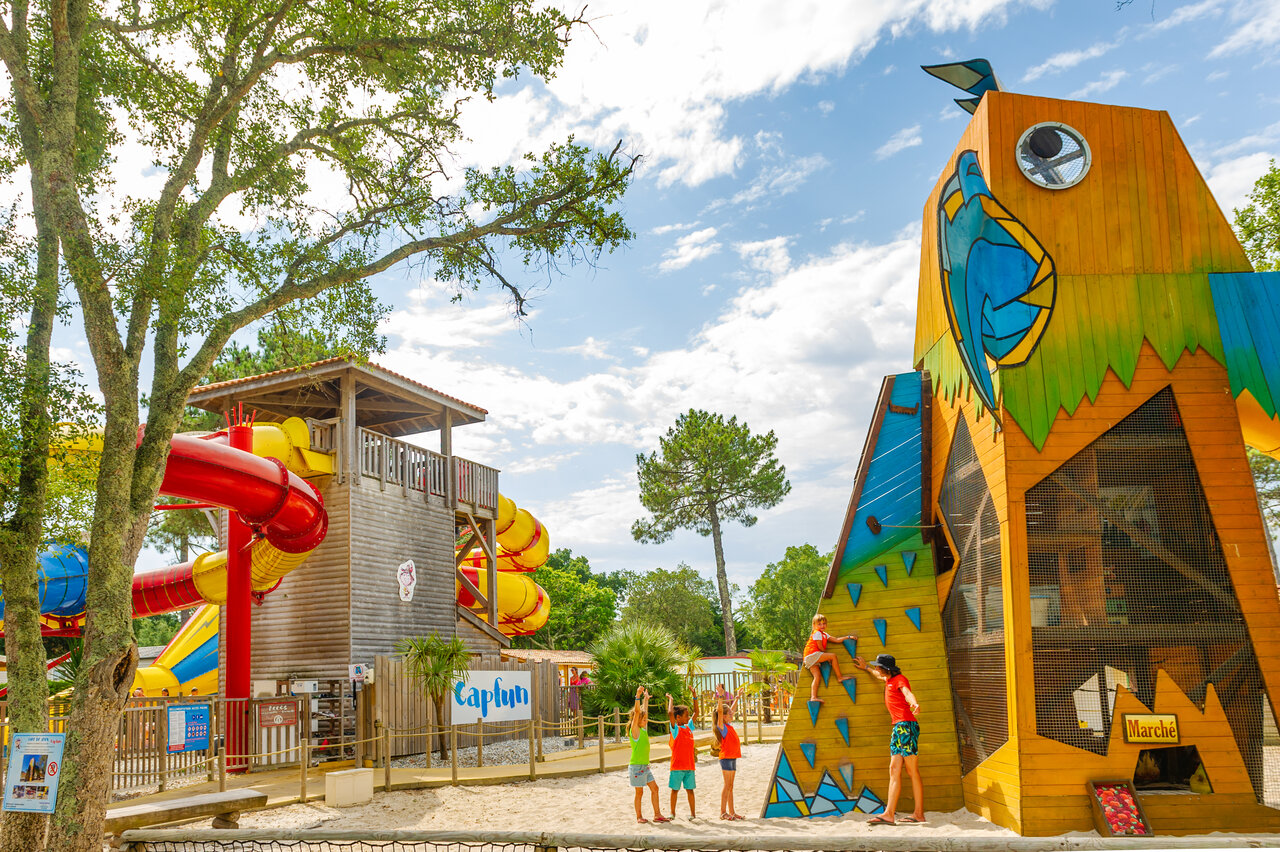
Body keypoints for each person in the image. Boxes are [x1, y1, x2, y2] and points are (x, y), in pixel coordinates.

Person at [853, 653, 925, 826]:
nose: (876, 668)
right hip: (900, 727)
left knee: (910, 770)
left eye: (878, 666)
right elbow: (878, 676)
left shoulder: (900, 679)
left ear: (886, 668)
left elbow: (907, 692)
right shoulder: (888, 680)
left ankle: (911, 813)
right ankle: (895, 813)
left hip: (905, 726)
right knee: (896, 769)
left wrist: (914, 703)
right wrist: (866, 668)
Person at [627, 686, 670, 824]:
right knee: (639, 792)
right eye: (644, 719)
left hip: (645, 767)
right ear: (637, 720)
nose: (646, 720)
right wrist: (637, 696)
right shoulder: (635, 731)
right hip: (636, 767)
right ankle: (639, 816)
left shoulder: (643, 730)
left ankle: (657, 815)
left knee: (655, 788)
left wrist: (646, 699)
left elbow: (643, 712)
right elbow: (638, 711)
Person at [802, 614, 856, 702]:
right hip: (811, 655)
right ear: (814, 625)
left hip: (809, 658)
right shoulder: (817, 633)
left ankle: (813, 697)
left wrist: (848, 637)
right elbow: (820, 647)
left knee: (817, 676)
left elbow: (837, 640)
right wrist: (827, 657)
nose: (822, 626)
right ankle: (839, 677)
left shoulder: (824, 634)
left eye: (824, 624)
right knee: (833, 656)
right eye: (819, 624)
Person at [712, 691, 744, 820]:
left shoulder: (728, 725)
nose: (732, 714)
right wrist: (720, 697)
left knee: (731, 786)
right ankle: (723, 812)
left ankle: (732, 812)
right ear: (723, 716)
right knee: (727, 785)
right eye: (729, 714)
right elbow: (720, 711)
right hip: (725, 758)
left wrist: (737, 698)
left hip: (733, 757)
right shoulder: (722, 727)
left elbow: (731, 710)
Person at [665, 693, 697, 819]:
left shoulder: (689, 727)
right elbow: (670, 713)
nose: (688, 717)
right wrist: (671, 700)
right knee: (675, 790)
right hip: (677, 767)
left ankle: (693, 814)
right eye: (686, 715)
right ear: (678, 717)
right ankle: (672, 813)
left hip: (690, 766)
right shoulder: (675, 729)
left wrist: (694, 696)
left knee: (690, 790)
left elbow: (697, 712)